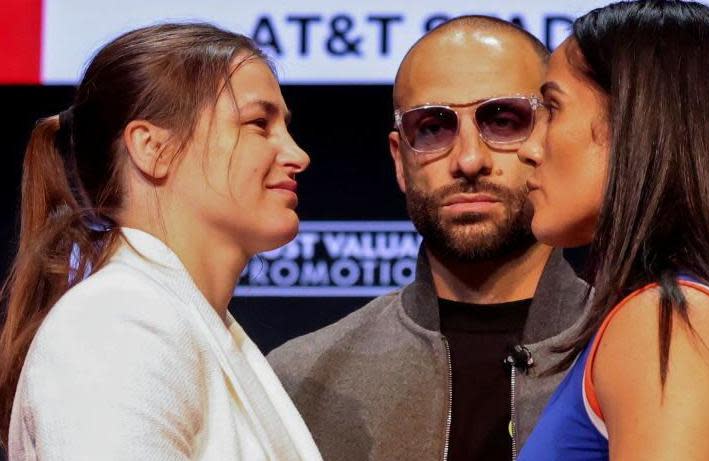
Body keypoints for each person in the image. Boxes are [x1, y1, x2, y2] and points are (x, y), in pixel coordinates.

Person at [268, 16, 589, 461]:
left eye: (503, 120)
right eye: (434, 128)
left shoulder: (636, 353)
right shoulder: (299, 381)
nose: (470, 160)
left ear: (549, 137)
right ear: (401, 160)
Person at [0, 23, 322, 460]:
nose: (297, 155)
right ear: (153, 148)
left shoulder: (184, 321)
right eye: (258, 124)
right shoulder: (116, 322)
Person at [514, 1, 709, 459]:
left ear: (634, 122)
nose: (529, 148)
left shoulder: (669, 320)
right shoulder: (681, 313)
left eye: (553, 108)